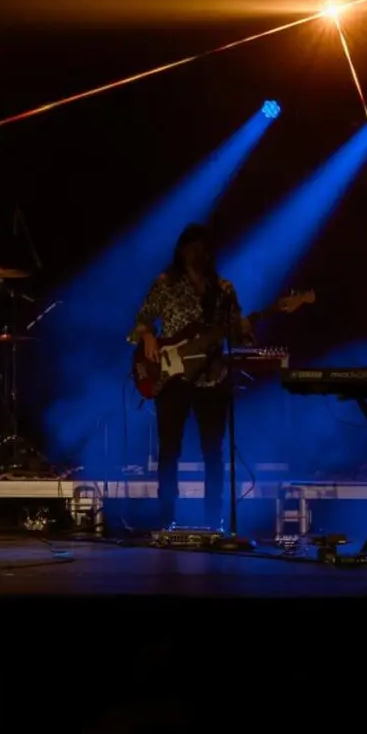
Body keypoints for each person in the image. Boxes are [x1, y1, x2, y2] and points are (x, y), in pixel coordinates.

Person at [131, 223, 253, 530]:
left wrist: (246, 332)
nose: (198, 253)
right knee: (169, 449)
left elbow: (237, 335)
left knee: (214, 452)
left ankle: (214, 520)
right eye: (192, 247)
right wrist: (147, 336)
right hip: (171, 377)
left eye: (203, 247)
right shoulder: (166, 283)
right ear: (182, 250)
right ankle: (166, 518)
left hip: (212, 377)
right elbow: (142, 319)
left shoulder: (223, 289)